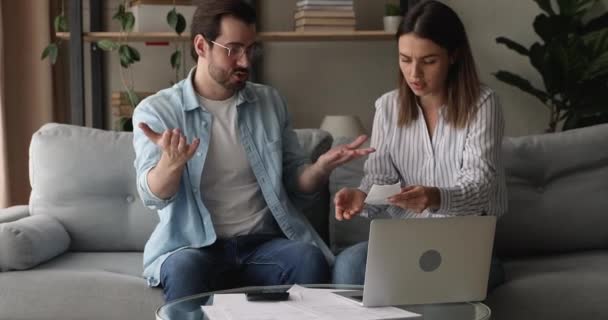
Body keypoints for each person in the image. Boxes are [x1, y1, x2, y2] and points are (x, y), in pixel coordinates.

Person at [132, 0, 375, 302]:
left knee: (307, 259)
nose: (246, 62)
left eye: (251, 49)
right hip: (194, 247)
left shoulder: (270, 102)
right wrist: (170, 164)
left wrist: (320, 168)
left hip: (262, 244)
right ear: (201, 45)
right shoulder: (158, 111)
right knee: (184, 269)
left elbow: (295, 182)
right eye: (233, 49)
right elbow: (151, 195)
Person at [331, 0, 507, 291]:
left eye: (428, 61)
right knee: (349, 265)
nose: (414, 74)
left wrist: (435, 197)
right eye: (405, 59)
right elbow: (381, 178)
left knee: (434, 281)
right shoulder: (388, 107)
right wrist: (362, 195)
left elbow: (481, 187)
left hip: (467, 242)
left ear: (453, 55)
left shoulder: (483, 104)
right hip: (405, 239)